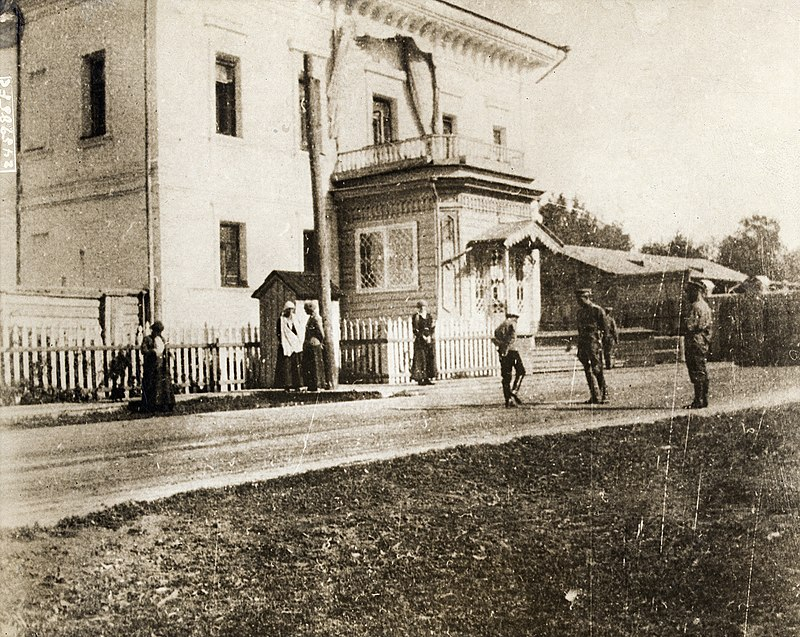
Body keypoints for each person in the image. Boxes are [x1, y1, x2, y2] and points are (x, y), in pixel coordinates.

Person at [574, 288, 609, 404]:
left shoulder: (597, 310)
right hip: (583, 343)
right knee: (587, 370)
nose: (578, 302)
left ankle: (604, 395)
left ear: (586, 297)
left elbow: (605, 330)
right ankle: (594, 395)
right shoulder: (580, 312)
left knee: (597, 368)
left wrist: (602, 344)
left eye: (580, 299)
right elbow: (579, 330)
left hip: (594, 343)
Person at [682, 280, 713, 408]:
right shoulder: (705, 306)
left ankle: (698, 400)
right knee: (702, 370)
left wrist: (676, 329)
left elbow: (689, 326)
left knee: (696, 370)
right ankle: (703, 399)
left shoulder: (695, 307)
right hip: (703, 341)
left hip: (694, 341)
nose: (687, 295)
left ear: (697, 292)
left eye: (689, 292)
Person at [493, 309, 526, 408]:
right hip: (512, 352)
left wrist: (501, 347)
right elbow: (512, 338)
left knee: (506, 377)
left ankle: (508, 400)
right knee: (521, 371)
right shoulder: (512, 324)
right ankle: (514, 391)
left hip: (503, 353)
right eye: (516, 318)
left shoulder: (501, 326)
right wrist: (507, 347)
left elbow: (495, 337)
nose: (517, 320)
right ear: (513, 316)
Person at [140, 321, 175, 413]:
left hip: (161, 365)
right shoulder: (147, 339)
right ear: (153, 330)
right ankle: (151, 406)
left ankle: (165, 404)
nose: (158, 333)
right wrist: (152, 351)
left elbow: (166, 348)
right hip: (151, 366)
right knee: (152, 384)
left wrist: (169, 353)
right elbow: (143, 350)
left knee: (164, 384)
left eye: (159, 331)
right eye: (156, 331)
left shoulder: (162, 339)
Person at [275, 300, 303, 391]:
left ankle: (297, 385)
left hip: (295, 346)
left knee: (296, 365)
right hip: (286, 345)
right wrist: (284, 343)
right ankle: (287, 385)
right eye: (288, 310)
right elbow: (279, 333)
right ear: (285, 310)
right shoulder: (281, 320)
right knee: (286, 366)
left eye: (292, 310)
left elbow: (299, 331)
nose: (290, 312)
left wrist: (296, 342)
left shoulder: (295, 319)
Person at [410, 300, 437, 385]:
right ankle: (420, 378)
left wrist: (429, 336)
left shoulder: (429, 317)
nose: (422, 308)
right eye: (421, 307)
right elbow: (415, 329)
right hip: (420, 341)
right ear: (418, 308)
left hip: (428, 341)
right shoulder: (416, 317)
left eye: (424, 307)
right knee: (421, 359)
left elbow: (432, 327)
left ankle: (427, 377)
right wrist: (422, 336)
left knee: (428, 358)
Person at [302, 300, 326, 392]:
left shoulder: (316, 318)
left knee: (315, 365)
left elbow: (321, 332)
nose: (305, 311)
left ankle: (318, 384)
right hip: (310, 344)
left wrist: (321, 341)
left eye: (306, 309)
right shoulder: (311, 318)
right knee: (311, 365)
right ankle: (312, 385)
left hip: (314, 344)